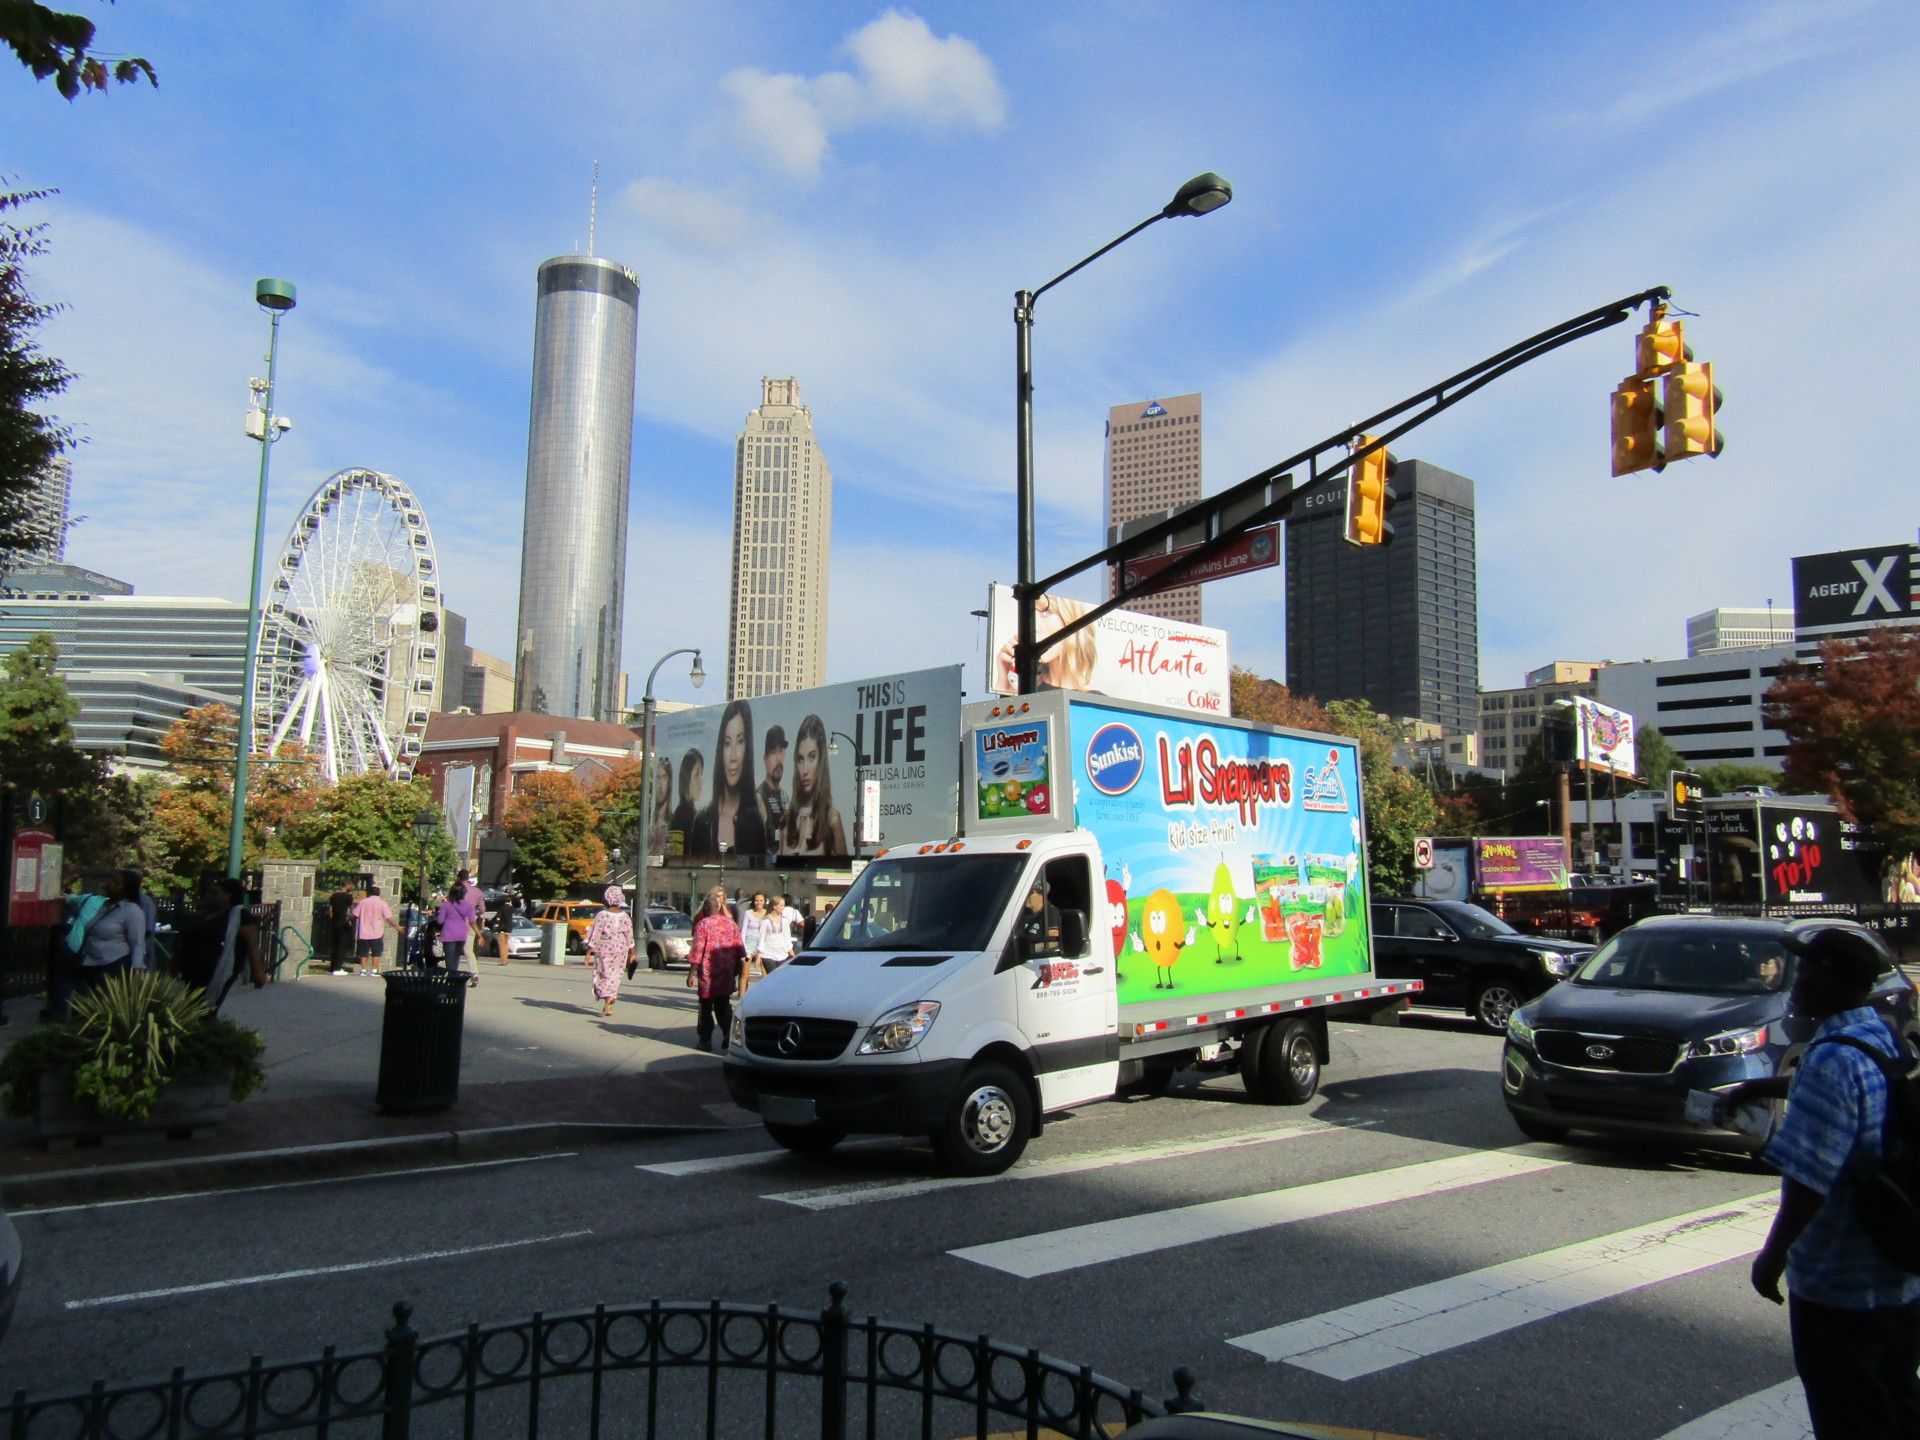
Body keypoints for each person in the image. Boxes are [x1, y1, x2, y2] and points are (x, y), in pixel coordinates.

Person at [1734, 926, 1920, 1438]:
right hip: (1897, 1274)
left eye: (1808, 970)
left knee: (1849, 1416)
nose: (1795, 981)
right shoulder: (1876, 1034)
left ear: (1833, 982)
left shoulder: (1832, 1058)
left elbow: (1808, 1183)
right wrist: (1763, 1085)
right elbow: (1857, 1084)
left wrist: (1771, 1259)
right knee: (1896, 1405)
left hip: (1840, 1286)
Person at [690, 701, 770, 860]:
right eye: (727, 743)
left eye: (740, 741)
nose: (733, 756)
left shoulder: (755, 822)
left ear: (748, 748)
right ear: (721, 749)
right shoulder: (702, 821)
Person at [178, 878, 265, 1008]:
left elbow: (252, 945)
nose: (209, 896)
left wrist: (257, 971)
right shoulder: (202, 915)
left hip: (218, 967)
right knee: (190, 1005)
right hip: (192, 968)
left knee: (206, 1006)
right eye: (209, 893)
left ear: (228, 895)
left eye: (215, 893)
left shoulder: (239, 915)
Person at [992, 592, 1099, 693]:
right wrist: (1006, 686)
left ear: (1072, 620)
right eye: (1029, 614)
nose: (1034, 627)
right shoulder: (1029, 691)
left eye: (1047, 612)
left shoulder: (1100, 703)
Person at [686, 886, 746, 1053]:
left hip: (708, 973)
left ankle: (705, 1040)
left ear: (706, 908)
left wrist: (691, 974)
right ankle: (728, 1032)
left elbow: (697, 952)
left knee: (705, 1006)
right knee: (723, 1004)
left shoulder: (703, 925)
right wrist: (740, 971)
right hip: (726, 971)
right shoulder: (731, 923)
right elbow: (740, 949)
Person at [781, 714, 849, 859]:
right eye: (800, 759)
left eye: (812, 757)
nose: (805, 770)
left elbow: (845, 873)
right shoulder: (787, 820)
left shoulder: (832, 819)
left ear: (821, 760)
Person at [77, 870, 147, 992]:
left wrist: (137, 968)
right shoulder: (107, 906)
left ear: (126, 888)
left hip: (112, 966)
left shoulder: (132, 911)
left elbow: (137, 943)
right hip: (90, 963)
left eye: (116, 883)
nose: (110, 884)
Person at [583, 884, 636, 1019]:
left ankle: (608, 999)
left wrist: (589, 952)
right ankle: (610, 1001)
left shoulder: (602, 915)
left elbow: (595, 934)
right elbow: (629, 936)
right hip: (621, 950)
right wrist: (633, 953)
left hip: (604, 949)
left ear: (608, 899)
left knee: (602, 974)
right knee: (614, 975)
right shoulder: (625, 917)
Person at [350, 884, 398, 976]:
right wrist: (396, 926)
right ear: (378, 894)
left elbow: (355, 914)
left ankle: (363, 970)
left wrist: (349, 920)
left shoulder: (363, 902)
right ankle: (374, 970)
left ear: (369, 893)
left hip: (364, 931)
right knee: (376, 952)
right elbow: (388, 917)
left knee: (363, 952)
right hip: (377, 932)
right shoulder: (382, 903)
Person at [436, 881, 478, 979]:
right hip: (462, 934)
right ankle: (453, 976)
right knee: (456, 957)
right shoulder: (468, 906)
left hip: (449, 933)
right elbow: (472, 921)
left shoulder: (446, 905)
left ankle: (452, 977)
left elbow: (440, 920)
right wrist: (479, 934)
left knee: (449, 957)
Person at [669, 750, 704, 851]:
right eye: (697, 774)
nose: (701, 780)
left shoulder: (689, 814)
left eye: (701, 774)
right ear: (686, 778)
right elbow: (675, 856)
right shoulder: (683, 816)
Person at [758, 726, 789, 835]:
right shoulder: (759, 798)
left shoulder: (785, 796)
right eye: (773, 753)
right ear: (765, 759)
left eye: (781, 751)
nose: (778, 758)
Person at [759, 893, 800, 972]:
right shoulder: (765, 921)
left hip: (782, 954)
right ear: (774, 907)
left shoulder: (785, 921)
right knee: (772, 974)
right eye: (781, 905)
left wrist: (791, 952)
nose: (783, 907)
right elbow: (761, 938)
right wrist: (759, 953)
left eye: (783, 905)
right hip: (768, 953)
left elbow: (787, 938)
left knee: (779, 975)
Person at [739, 893, 769, 989]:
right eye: (756, 900)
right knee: (745, 973)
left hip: (763, 943)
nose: (758, 903)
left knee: (765, 974)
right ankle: (742, 996)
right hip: (749, 943)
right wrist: (742, 948)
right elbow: (743, 931)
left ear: (764, 902)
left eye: (761, 900)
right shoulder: (748, 913)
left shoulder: (768, 914)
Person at [326, 884, 355, 975]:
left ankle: (333, 966)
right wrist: (350, 920)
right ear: (348, 885)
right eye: (352, 886)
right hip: (344, 923)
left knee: (334, 945)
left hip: (335, 923)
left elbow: (330, 911)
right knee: (342, 946)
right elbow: (352, 910)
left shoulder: (334, 896)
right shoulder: (348, 897)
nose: (352, 888)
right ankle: (337, 968)